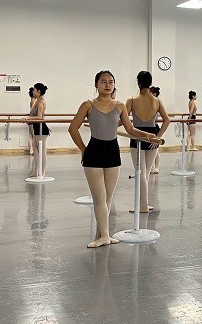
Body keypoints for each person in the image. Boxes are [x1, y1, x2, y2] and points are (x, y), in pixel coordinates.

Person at [69, 71, 162, 247]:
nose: (107, 85)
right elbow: (73, 128)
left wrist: (148, 136)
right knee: (99, 197)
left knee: (108, 198)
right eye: (103, 82)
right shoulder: (88, 105)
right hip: (94, 151)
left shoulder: (120, 106)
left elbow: (130, 129)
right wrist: (83, 149)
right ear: (96, 84)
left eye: (111, 82)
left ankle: (101, 235)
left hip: (113, 151)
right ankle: (105, 236)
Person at [127, 72, 169, 211]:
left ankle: (143, 205)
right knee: (146, 172)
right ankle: (143, 204)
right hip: (152, 136)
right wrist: (158, 137)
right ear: (150, 83)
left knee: (140, 172)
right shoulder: (156, 101)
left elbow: (123, 120)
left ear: (138, 83)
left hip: (137, 135)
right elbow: (167, 120)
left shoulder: (132, 100)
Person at [27, 82, 50, 177]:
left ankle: (43, 172)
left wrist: (28, 118)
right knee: (36, 151)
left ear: (38, 91)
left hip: (42, 129)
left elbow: (40, 117)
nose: (33, 91)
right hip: (36, 128)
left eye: (34, 90)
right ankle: (35, 171)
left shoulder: (40, 102)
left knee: (42, 151)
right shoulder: (37, 100)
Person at [149, 86, 162, 174]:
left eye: (150, 92)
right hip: (150, 127)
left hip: (154, 127)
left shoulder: (157, 102)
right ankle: (152, 167)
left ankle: (156, 167)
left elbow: (156, 117)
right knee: (151, 149)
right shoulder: (150, 102)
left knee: (155, 149)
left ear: (154, 94)